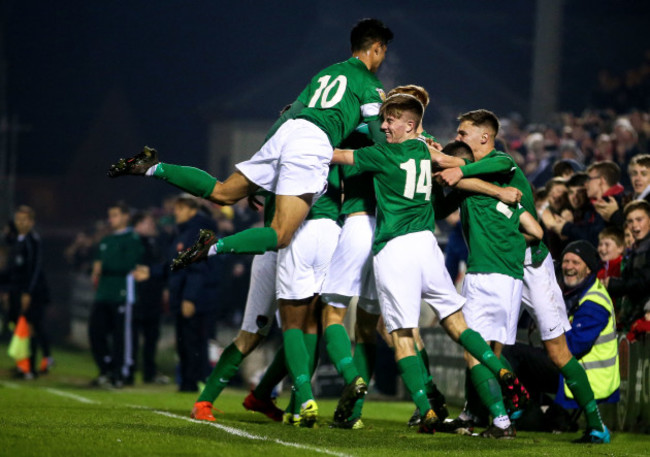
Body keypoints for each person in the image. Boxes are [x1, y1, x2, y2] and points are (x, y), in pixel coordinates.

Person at [107, 18, 392, 260]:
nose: (382, 59)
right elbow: (380, 133)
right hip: (314, 143)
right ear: (377, 48)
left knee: (223, 193)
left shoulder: (325, 73)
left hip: (287, 134)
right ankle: (213, 247)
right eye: (384, 52)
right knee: (281, 236)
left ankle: (153, 166)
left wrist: (265, 162)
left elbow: (288, 115)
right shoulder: (370, 83)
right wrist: (398, 156)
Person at [331, 94, 529, 435]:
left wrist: (305, 136)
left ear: (408, 124)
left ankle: (427, 409)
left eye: (390, 120)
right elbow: (451, 161)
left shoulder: (381, 154)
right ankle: (501, 371)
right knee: (457, 323)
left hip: (395, 249)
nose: (383, 126)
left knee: (402, 334)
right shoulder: (424, 150)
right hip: (427, 245)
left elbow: (335, 155)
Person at [431, 109, 611, 443]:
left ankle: (596, 423)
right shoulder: (468, 176)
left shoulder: (501, 162)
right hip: (500, 267)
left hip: (532, 266)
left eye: (463, 133)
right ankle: (475, 413)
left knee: (557, 351)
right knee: (485, 343)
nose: (457, 138)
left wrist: (451, 166)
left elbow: (500, 173)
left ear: (485, 136)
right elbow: (439, 208)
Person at [433, 139, 542, 439]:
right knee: (492, 349)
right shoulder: (509, 197)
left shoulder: (468, 190)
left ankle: (502, 420)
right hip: (511, 280)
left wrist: (436, 174)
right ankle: (476, 412)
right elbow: (537, 231)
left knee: (474, 351)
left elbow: (439, 209)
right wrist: (515, 243)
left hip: (482, 275)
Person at [501, 241, 618, 443]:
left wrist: (550, 330)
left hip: (587, 376)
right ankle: (526, 409)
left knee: (513, 353)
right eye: (565, 261)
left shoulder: (595, 302)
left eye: (576, 262)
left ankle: (520, 408)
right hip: (572, 369)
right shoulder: (576, 294)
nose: (568, 267)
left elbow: (574, 347)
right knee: (518, 354)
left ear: (589, 268)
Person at [89, 201, 144, 388]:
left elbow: (129, 265)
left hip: (122, 293)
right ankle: (106, 368)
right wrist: (95, 268)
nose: (111, 219)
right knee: (95, 331)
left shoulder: (133, 239)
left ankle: (123, 372)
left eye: (115, 215)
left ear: (125, 216)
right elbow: (96, 262)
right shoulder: (106, 240)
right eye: (110, 215)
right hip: (103, 293)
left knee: (122, 336)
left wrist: (102, 267)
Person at [2, 206, 51, 378]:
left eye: (24, 220)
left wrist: (27, 292)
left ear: (31, 222)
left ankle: (31, 367)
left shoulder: (33, 241)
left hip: (30, 292)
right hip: (15, 290)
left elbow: (35, 268)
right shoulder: (17, 240)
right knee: (18, 327)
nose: (20, 223)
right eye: (18, 219)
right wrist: (6, 289)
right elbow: (11, 268)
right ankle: (22, 365)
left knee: (30, 327)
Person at [130, 211, 168, 385]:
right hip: (136, 297)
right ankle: (128, 370)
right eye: (147, 222)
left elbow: (163, 267)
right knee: (132, 337)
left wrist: (152, 272)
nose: (152, 225)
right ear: (137, 225)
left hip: (152, 297)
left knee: (151, 336)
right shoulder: (132, 243)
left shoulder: (155, 243)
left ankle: (149, 372)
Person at [606, 200, 650, 331]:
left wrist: (615, 285)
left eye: (639, 219)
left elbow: (645, 282)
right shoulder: (636, 249)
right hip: (636, 314)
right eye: (630, 221)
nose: (634, 225)